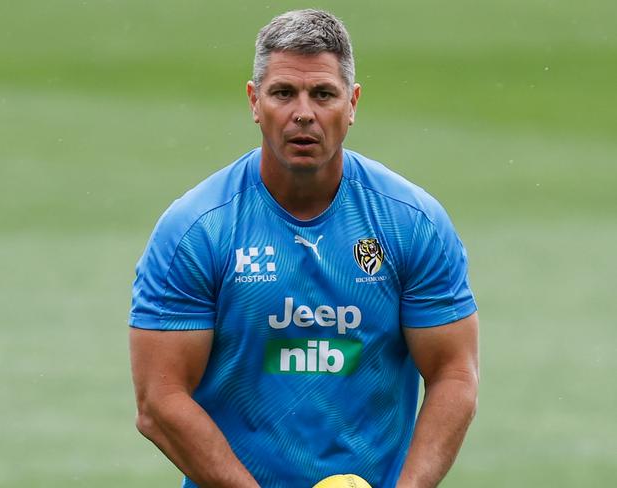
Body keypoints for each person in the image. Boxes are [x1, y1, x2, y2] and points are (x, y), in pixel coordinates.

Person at [129, 9, 479, 488]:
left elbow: (454, 374)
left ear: (352, 103)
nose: (303, 113)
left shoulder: (410, 224)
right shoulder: (197, 230)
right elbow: (158, 401)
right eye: (283, 93)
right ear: (254, 101)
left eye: (323, 94)